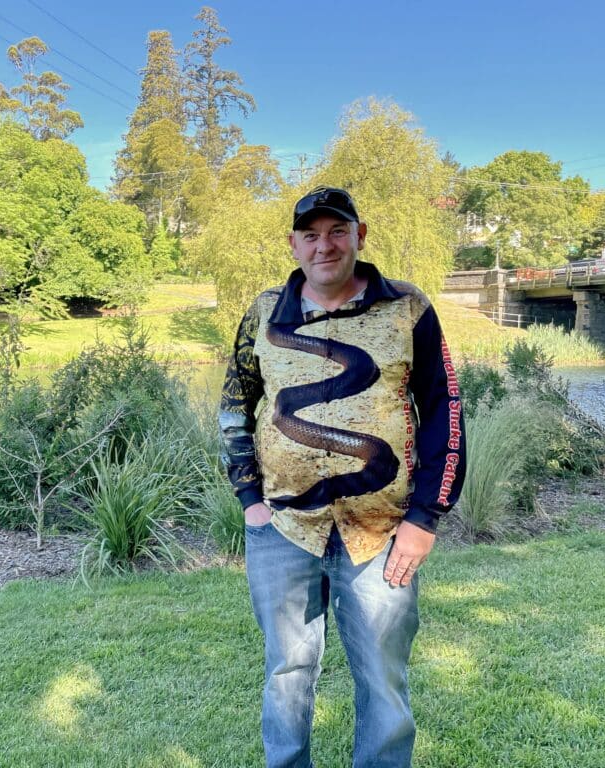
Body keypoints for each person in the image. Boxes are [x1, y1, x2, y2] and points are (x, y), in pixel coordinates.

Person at [219, 186, 466, 768]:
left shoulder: (407, 308)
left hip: (383, 533)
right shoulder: (264, 311)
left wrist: (425, 516)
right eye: (311, 234)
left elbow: (445, 410)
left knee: (382, 680)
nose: (324, 245)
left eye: (337, 231)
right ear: (294, 243)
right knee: (286, 671)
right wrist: (249, 497)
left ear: (360, 235)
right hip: (283, 527)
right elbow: (236, 402)